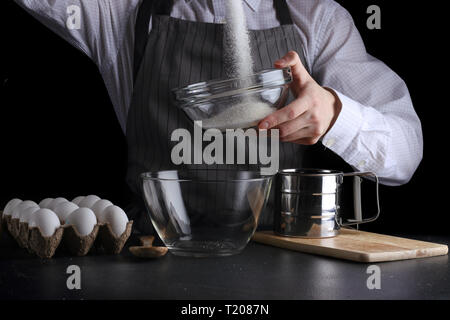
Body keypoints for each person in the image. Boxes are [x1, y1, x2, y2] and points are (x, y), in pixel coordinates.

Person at [13, 0, 423, 232]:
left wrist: (336, 114)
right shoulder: (123, 13)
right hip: (153, 262)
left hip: (288, 266)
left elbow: (406, 153)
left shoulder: (316, 19)